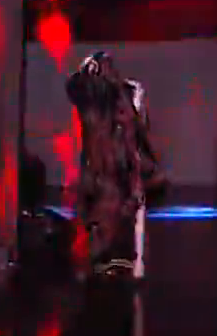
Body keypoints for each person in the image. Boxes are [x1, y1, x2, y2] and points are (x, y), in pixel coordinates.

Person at [65, 52, 163, 278]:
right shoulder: (91, 96)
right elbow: (73, 87)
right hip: (101, 166)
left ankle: (117, 260)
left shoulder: (126, 94)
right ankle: (102, 259)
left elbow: (138, 129)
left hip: (117, 165)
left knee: (122, 207)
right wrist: (89, 69)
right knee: (104, 208)